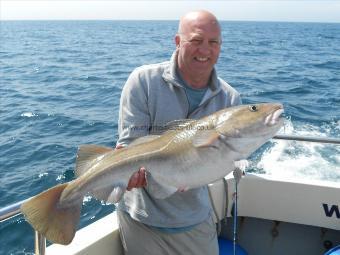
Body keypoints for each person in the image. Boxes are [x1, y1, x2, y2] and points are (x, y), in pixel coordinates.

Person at [116, 10, 241, 255]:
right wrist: (130, 170)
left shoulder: (229, 98)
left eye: (213, 42)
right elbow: (130, 144)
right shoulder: (143, 81)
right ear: (178, 42)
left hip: (195, 218)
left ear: (220, 46)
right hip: (142, 220)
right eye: (196, 40)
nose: (205, 50)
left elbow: (221, 161)